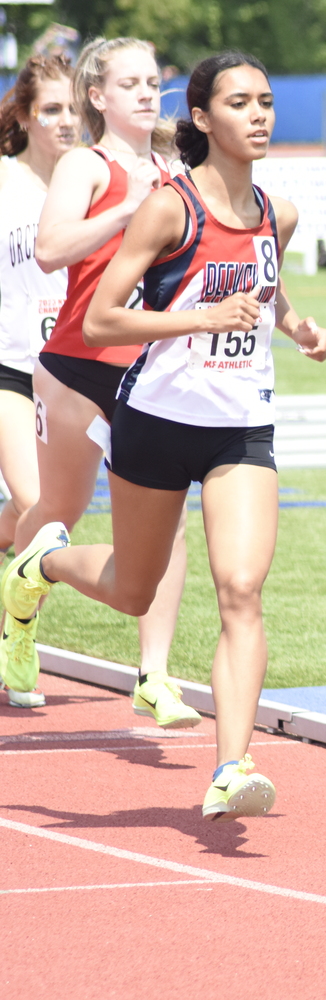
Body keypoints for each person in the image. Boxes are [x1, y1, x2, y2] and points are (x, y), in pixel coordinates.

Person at [2, 51, 326, 820]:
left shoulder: (277, 213)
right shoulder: (169, 208)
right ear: (205, 118)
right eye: (241, 103)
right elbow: (101, 318)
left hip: (240, 428)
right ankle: (44, 559)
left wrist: (299, 327)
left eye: (267, 101)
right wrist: (201, 319)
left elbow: (267, 286)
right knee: (131, 589)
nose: (259, 115)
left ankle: (232, 764)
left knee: (242, 590)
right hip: (155, 420)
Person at [5, 37, 194, 723]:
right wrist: (127, 208)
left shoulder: (179, 164)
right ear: (98, 96)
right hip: (78, 364)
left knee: (168, 519)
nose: (147, 93)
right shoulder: (87, 164)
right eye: (131, 83)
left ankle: (154, 673)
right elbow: (52, 249)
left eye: (154, 81)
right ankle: (20, 615)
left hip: (151, 371)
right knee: (57, 510)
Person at [0, 55, 77, 707]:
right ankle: (18, 633)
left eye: (75, 108)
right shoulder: (2, 183)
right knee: (38, 508)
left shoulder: (92, 183)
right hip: (6, 369)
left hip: (68, 374)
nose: (65, 122)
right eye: (51, 109)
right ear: (23, 116)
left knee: (23, 520)